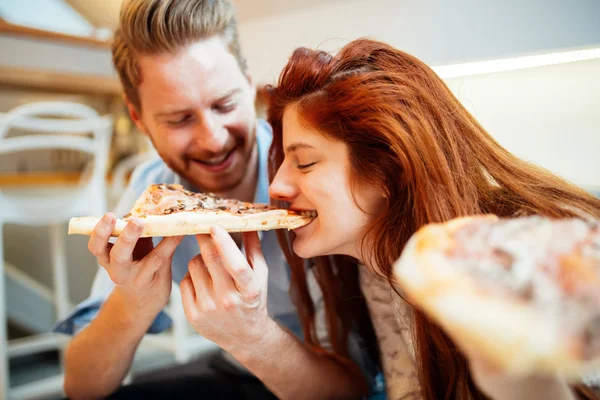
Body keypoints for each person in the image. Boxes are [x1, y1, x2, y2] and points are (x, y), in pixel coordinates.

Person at [53, 1, 379, 399]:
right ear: (138, 119)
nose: (214, 140)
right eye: (179, 119)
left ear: (248, 84)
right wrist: (134, 302)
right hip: (233, 369)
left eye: (224, 104)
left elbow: (355, 388)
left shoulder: (312, 176)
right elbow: (81, 386)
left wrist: (253, 334)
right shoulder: (154, 191)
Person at [265, 38, 600, 400]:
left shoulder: (533, 254)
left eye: (305, 162)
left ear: (386, 170)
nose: (277, 185)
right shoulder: (375, 263)